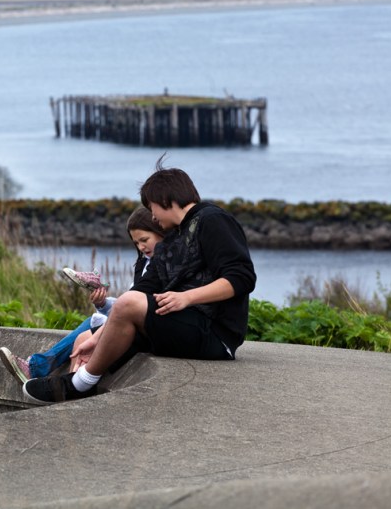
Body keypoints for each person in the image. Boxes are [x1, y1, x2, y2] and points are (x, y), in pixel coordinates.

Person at [23, 158, 257, 404]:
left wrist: (186, 297)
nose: (153, 216)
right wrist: (95, 338)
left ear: (165, 200)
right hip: (183, 326)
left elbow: (241, 277)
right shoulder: (169, 243)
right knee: (84, 340)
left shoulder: (212, 219)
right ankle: (71, 400)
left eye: (152, 206)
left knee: (124, 308)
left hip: (216, 334)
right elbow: (143, 291)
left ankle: (80, 385)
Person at [0, 206, 165, 384]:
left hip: (149, 329)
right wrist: (102, 303)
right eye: (136, 243)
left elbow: (133, 305)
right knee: (91, 324)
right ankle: (49, 375)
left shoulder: (162, 264)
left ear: (160, 230)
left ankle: (44, 373)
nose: (141, 247)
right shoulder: (144, 263)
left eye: (144, 240)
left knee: (85, 334)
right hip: (134, 322)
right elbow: (128, 303)